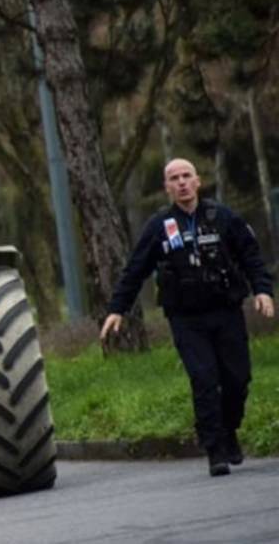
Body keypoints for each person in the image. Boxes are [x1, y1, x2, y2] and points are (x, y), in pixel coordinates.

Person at [100, 158, 274, 477]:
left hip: (226, 311)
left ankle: (229, 430)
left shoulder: (222, 217)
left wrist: (263, 291)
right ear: (166, 187)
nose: (181, 182)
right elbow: (134, 270)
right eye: (173, 178)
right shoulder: (159, 226)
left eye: (186, 176)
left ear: (197, 181)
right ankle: (215, 449)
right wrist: (117, 309)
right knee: (204, 379)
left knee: (238, 378)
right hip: (186, 318)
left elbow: (251, 255)